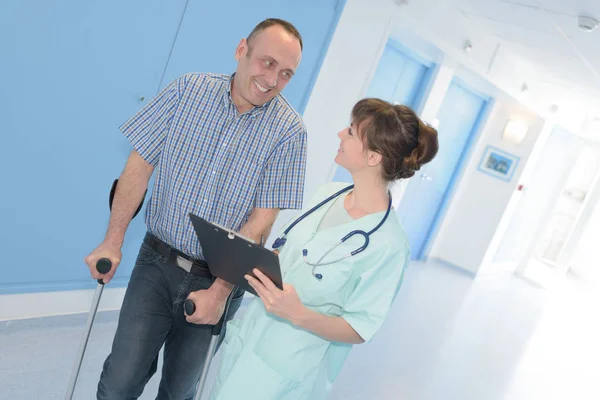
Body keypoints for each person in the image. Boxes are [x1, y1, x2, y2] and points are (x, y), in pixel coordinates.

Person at [83, 18, 307, 400]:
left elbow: (260, 223)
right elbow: (136, 171)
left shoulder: (290, 133)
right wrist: (112, 241)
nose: (271, 80)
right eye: (266, 63)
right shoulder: (187, 90)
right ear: (242, 51)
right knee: (118, 383)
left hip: (219, 278)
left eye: (285, 73)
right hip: (156, 264)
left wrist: (220, 293)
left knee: (179, 392)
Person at [209, 98, 439, 400]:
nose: (340, 134)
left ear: (373, 157)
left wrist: (299, 314)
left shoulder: (389, 245)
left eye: (352, 132)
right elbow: (293, 251)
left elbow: (359, 327)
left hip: (289, 365)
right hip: (249, 337)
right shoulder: (328, 194)